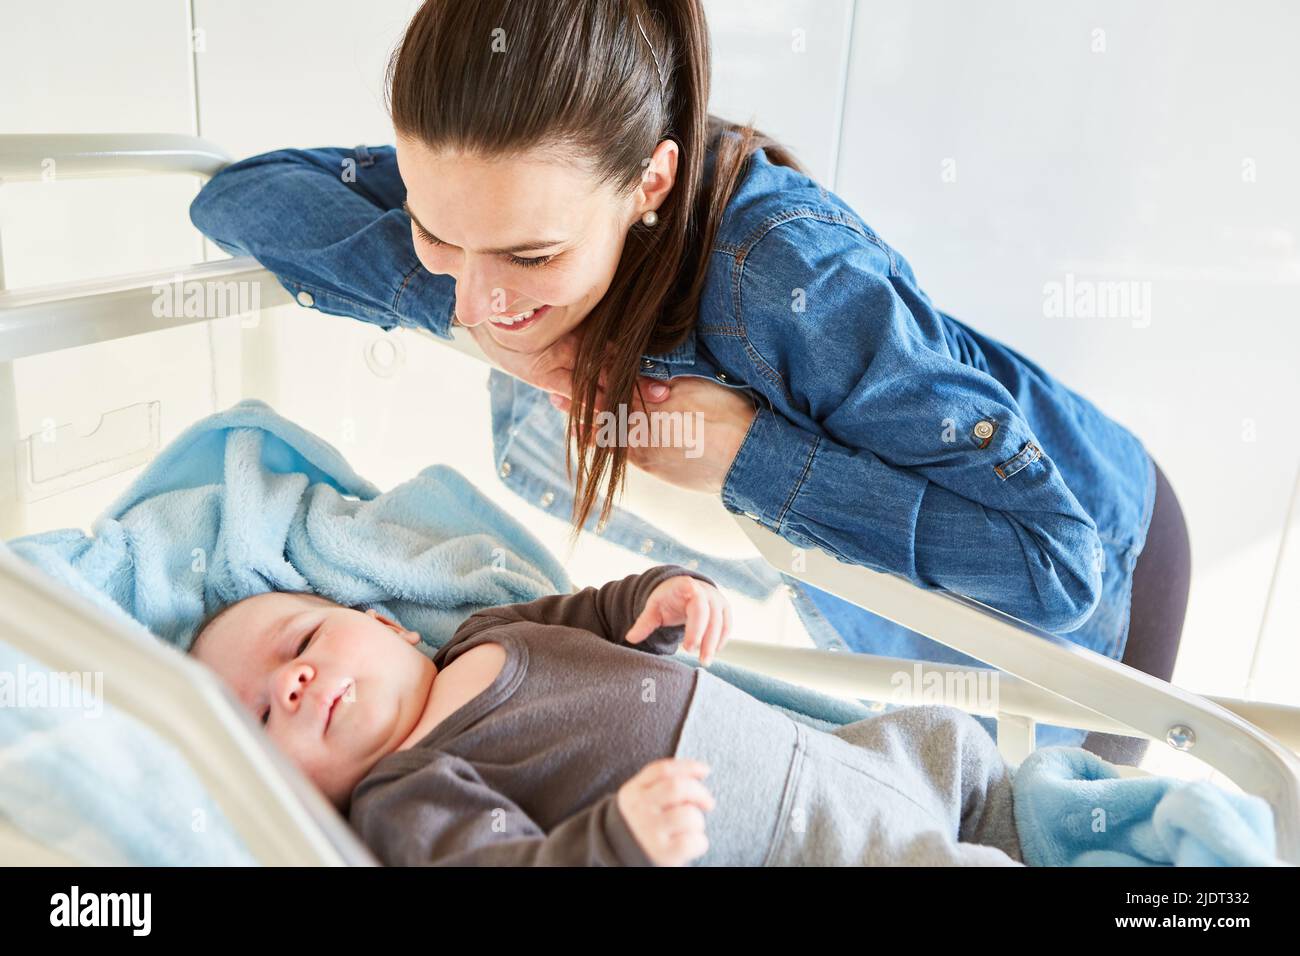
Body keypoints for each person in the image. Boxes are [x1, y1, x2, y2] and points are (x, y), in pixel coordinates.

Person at [188, 0, 1190, 763]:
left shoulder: (794, 278)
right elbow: (238, 200)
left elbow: (1058, 566)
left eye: (531, 256)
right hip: (900, 604)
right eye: (436, 227)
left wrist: (744, 455)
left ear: (650, 184)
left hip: (1100, 585)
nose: (485, 298)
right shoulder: (488, 225)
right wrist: (451, 285)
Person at [191, 564, 1023, 866]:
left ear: (385, 623)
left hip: (834, 756)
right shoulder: (403, 795)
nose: (294, 682)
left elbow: (598, 614)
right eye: (261, 717)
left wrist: (657, 595)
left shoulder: (488, 631)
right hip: (773, 839)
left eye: (300, 639)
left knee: (953, 748)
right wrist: (615, 844)